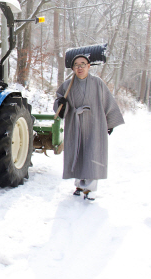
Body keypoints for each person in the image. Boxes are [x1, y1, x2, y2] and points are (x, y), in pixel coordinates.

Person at [53, 54, 124, 200]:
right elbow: (59, 105)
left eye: (83, 64)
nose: (80, 67)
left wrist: (110, 123)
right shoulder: (67, 85)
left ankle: (90, 189)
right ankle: (79, 185)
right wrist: (61, 103)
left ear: (89, 66)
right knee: (77, 153)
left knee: (93, 154)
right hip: (75, 124)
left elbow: (108, 102)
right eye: (76, 65)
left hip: (95, 123)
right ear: (73, 68)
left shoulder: (97, 83)